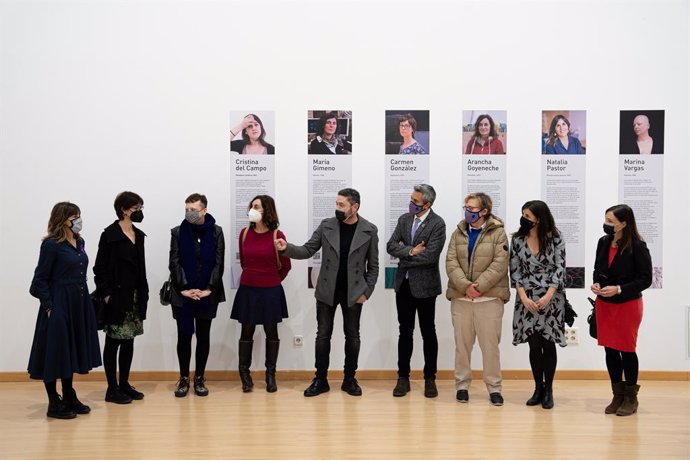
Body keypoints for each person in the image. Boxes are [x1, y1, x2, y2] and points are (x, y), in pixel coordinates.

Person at [275, 188, 379, 397]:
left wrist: (366, 292)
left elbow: (374, 266)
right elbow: (307, 250)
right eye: (336, 204)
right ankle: (320, 379)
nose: (337, 208)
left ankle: (349, 379)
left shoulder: (369, 229)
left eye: (341, 205)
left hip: (353, 293)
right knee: (323, 335)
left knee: (353, 336)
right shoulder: (327, 225)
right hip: (327, 290)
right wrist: (286, 248)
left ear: (355, 207)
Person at [29, 202, 102, 419]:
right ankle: (54, 402)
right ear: (63, 220)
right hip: (59, 304)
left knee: (70, 351)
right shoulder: (51, 245)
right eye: (74, 217)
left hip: (78, 303)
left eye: (79, 216)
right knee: (55, 352)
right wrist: (50, 307)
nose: (79, 221)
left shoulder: (79, 241)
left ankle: (69, 395)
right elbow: (39, 280)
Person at [445, 192, 510, 406]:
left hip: (489, 300)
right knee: (462, 346)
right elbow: (451, 262)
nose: (467, 211)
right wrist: (465, 286)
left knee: (490, 347)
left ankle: (494, 388)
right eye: (465, 207)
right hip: (461, 299)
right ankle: (462, 385)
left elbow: (500, 265)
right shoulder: (458, 232)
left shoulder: (499, 233)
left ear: (484, 211)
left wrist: (479, 287)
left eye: (471, 208)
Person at [591, 204, 652, 416]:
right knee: (610, 349)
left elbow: (646, 279)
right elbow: (597, 269)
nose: (606, 225)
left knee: (627, 349)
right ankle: (617, 394)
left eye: (611, 221)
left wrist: (619, 289)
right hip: (604, 304)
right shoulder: (603, 242)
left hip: (627, 305)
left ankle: (631, 397)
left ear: (624, 223)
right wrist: (596, 284)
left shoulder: (638, 245)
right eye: (605, 219)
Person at [386, 184, 446, 398]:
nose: (411, 204)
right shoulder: (404, 219)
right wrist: (411, 250)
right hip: (404, 284)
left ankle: (430, 378)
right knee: (405, 331)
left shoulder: (437, 224)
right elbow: (390, 246)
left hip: (426, 286)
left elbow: (430, 256)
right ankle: (403, 377)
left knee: (428, 332)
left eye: (415, 201)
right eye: (411, 199)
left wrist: (404, 255)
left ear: (427, 204)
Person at [231, 195, 291, 393]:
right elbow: (244, 262)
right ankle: (244, 375)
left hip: (270, 290)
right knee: (246, 331)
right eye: (251, 206)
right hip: (248, 288)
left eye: (256, 206)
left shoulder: (277, 234)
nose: (252, 209)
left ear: (267, 210)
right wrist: (255, 276)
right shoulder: (244, 233)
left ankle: (270, 375)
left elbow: (286, 265)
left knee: (271, 331)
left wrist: (270, 280)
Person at [510, 200, 566, 409]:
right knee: (534, 344)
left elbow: (560, 268)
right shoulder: (517, 240)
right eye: (523, 214)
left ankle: (549, 389)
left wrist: (549, 295)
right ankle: (538, 388)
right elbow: (514, 270)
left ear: (539, 219)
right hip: (527, 296)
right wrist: (523, 297)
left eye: (528, 216)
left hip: (551, 297)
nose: (524, 219)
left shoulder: (555, 237)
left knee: (548, 342)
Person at [94, 191, 149, 404]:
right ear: (124, 210)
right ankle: (112, 388)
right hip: (117, 296)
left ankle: (124, 383)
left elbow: (141, 269)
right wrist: (106, 295)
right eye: (136, 208)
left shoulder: (139, 235)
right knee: (113, 341)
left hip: (135, 296)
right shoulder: (109, 235)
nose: (140, 212)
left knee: (129, 340)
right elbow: (100, 268)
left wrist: (143, 295)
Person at [169, 193, 226, 397]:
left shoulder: (216, 232)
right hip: (183, 294)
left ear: (204, 210)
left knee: (203, 336)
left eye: (193, 209)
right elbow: (174, 262)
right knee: (184, 337)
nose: (189, 213)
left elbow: (219, 264)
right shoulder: (177, 232)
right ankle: (184, 378)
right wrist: (185, 288)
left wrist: (209, 288)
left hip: (207, 294)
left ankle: (200, 378)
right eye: (187, 209)